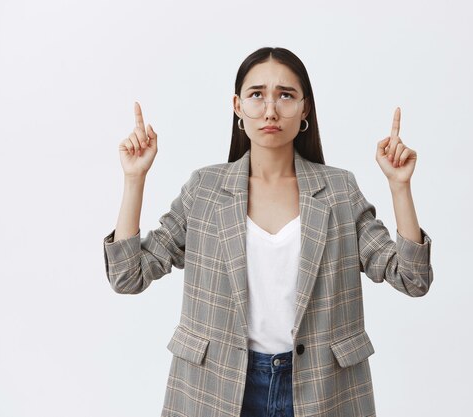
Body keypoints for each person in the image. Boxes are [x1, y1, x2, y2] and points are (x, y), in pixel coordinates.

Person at [103, 46, 433, 417]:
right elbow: (127, 276)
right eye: (257, 95)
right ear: (237, 106)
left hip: (321, 390)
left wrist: (399, 187)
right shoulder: (205, 190)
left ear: (305, 108)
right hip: (218, 387)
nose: (271, 110)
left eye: (286, 95)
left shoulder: (339, 191)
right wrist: (134, 179)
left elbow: (411, 278)